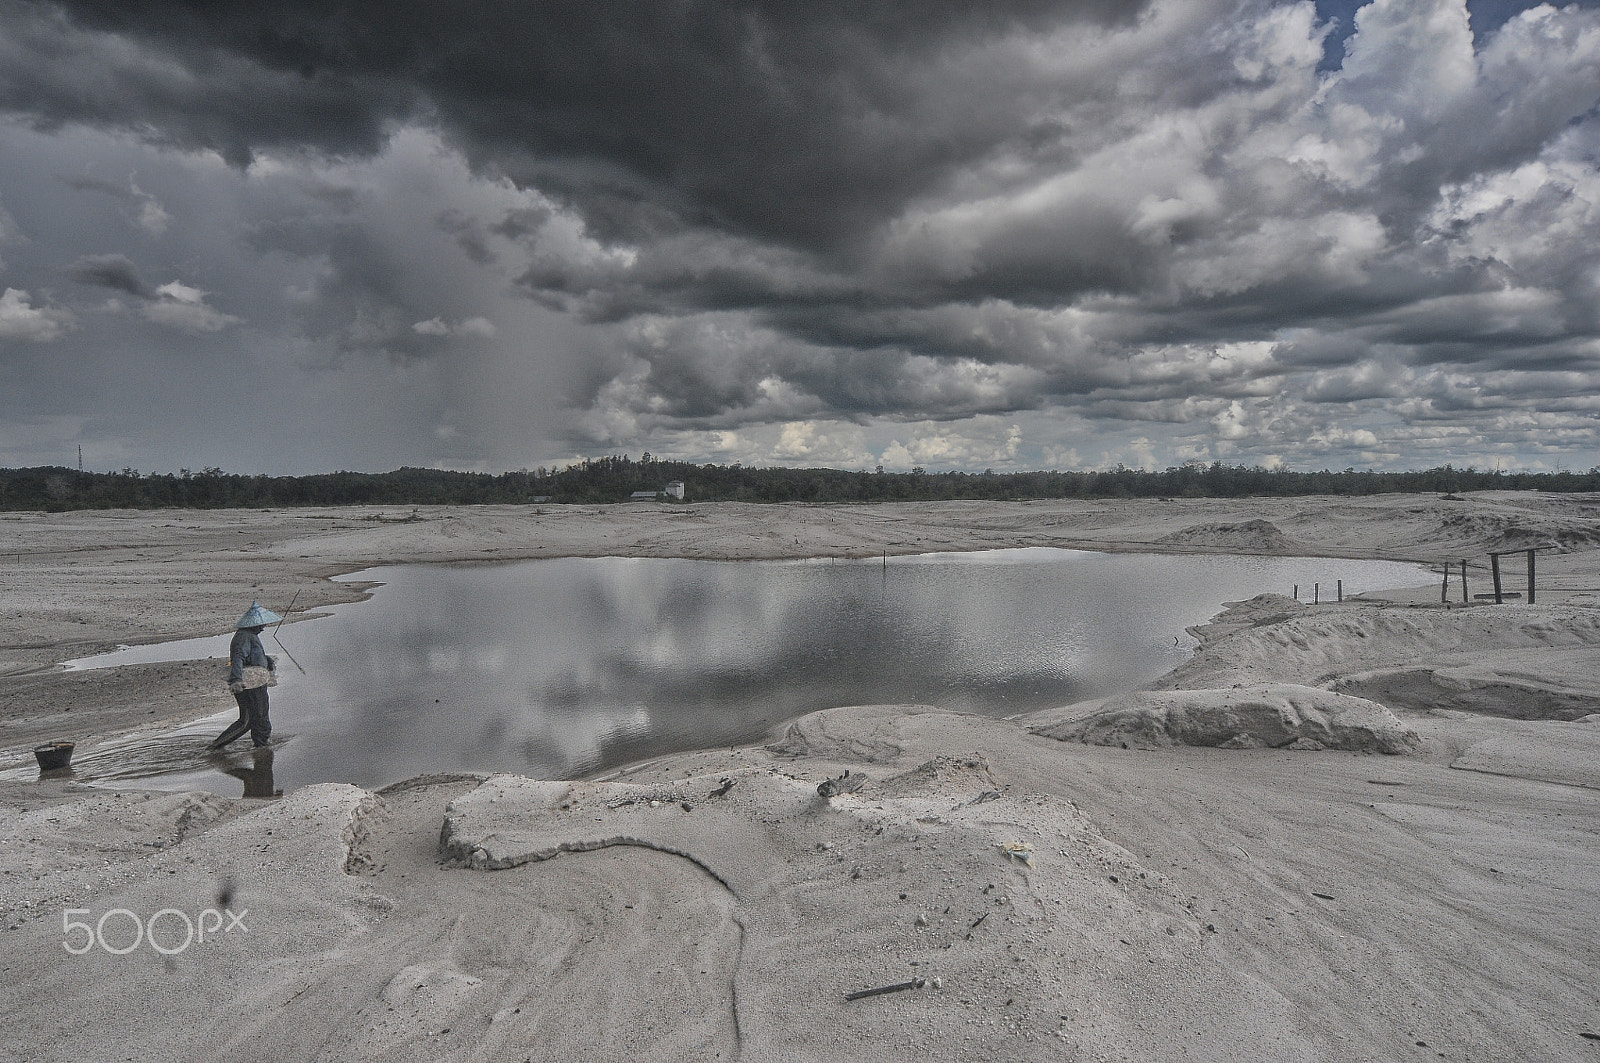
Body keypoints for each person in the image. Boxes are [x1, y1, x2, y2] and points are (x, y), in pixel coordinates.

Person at [210, 601, 280, 750]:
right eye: (260, 624)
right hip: (248, 684)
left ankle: (261, 746)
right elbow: (238, 658)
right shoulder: (243, 637)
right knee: (247, 721)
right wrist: (236, 680)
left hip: (256, 682)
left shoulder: (250, 635)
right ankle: (215, 748)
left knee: (260, 717)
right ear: (252, 624)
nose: (263, 627)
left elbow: (252, 655)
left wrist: (266, 660)